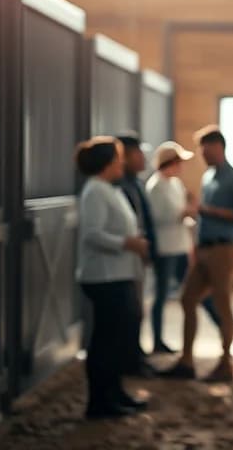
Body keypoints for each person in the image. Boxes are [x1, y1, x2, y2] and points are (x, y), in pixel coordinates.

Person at [160, 125, 233, 382]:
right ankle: (186, 361)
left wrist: (210, 211)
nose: (203, 155)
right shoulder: (208, 177)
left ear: (219, 147)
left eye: (206, 150)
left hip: (224, 248)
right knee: (187, 299)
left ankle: (226, 363)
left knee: (222, 305)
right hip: (204, 248)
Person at [74, 136, 149, 419]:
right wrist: (127, 243)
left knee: (116, 339)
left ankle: (115, 393)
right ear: (106, 163)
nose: (122, 163)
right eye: (118, 158)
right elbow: (92, 234)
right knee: (105, 341)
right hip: (104, 277)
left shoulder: (109, 189)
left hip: (119, 273)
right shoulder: (95, 191)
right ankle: (99, 402)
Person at [145, 141, 225, 354]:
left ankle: (222, 322)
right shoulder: (156, 187)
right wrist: (187, 212)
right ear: (170, 163)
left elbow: (182, 212)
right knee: (161, 295)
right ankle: (157, 340)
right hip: (165, 249)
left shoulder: (175, 184)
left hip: (179, 246)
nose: (181, 167)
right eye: (178, 162)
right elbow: (159, 217)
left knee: (197, 288)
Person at [114, 134, 158, 377]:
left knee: (137, 308)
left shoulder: (136, 184)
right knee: (130, 310)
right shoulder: (117, 186)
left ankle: (135, 355)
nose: (144, 159)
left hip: (138, 252)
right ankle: (129, 359)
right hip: (126, 255)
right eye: (138, 154)